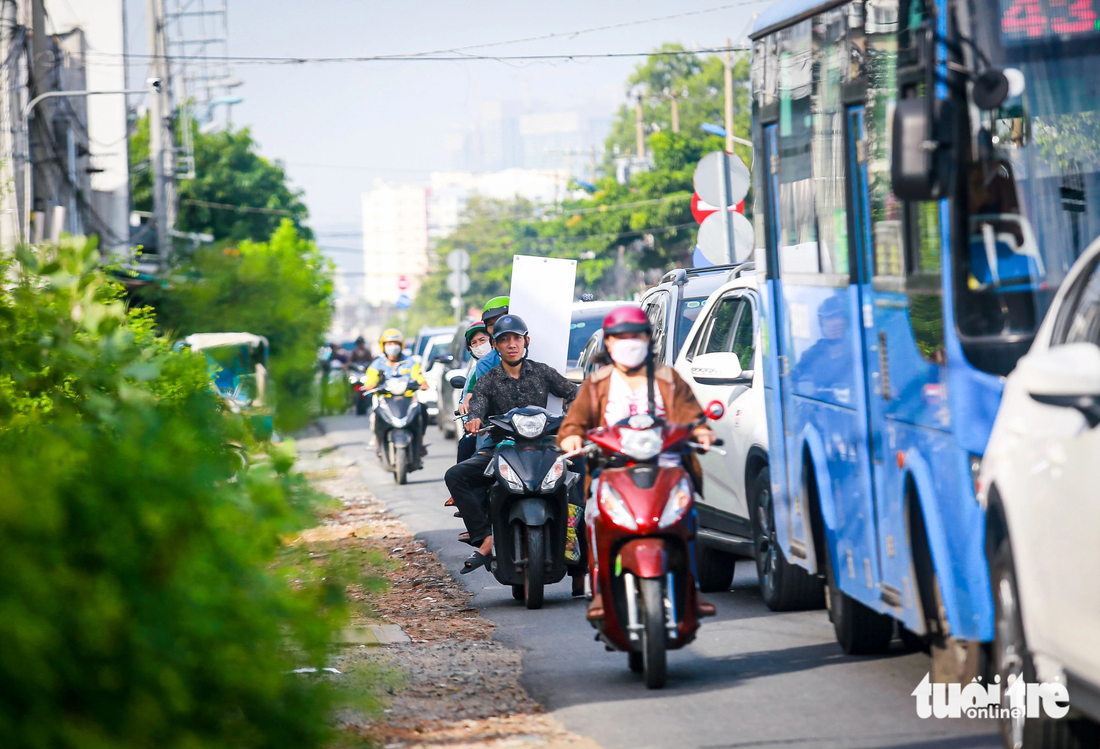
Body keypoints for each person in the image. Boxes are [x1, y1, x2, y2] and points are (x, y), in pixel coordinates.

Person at [557, 306, 717, 620]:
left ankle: (692, 590)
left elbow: (691, 416)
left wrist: (700, 431)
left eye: (636, 336)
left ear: (648, 339)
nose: (629, 343)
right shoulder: (597, 383)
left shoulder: (668, 378)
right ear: (609, 343)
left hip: (667, 468)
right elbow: (574, 423)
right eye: (621, 337)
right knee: (593, 518)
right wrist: (572, 438)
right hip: (612, 470)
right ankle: (600, 591)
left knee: (688, 519)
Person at [444, 313, 577, 576]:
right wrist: (474, 419)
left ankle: (575, 542)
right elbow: (478, 404)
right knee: (456, 475)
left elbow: (572, 392)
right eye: (504, 340)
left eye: (516, 338)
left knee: (581, 471)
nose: (511, 344)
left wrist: (575, 416)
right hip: (501, 448)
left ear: (526, 341)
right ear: (496, 346)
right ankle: (484, 537)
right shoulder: (488, 379)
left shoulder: (542, 372)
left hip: (545, 447)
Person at [364, 328, 429, 461]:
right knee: (375, 417)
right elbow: (371, 379)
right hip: (386, 400)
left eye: (395, 343)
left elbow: (418, 376)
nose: (392, 347)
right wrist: (370, 385)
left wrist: (422, 383)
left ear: (401, 345)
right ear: (383, 346)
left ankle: (420, 442)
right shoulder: (377, 364)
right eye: (388, 344)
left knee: (422, 410)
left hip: (407, 398)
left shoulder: (410, 362)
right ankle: (378, 443)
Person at [456, 320, 491, 463]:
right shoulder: (476, 371)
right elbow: (470, 397)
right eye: (474, 343)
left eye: (482, 340)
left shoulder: (533, 367)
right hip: (487, 428)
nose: (478, 346)